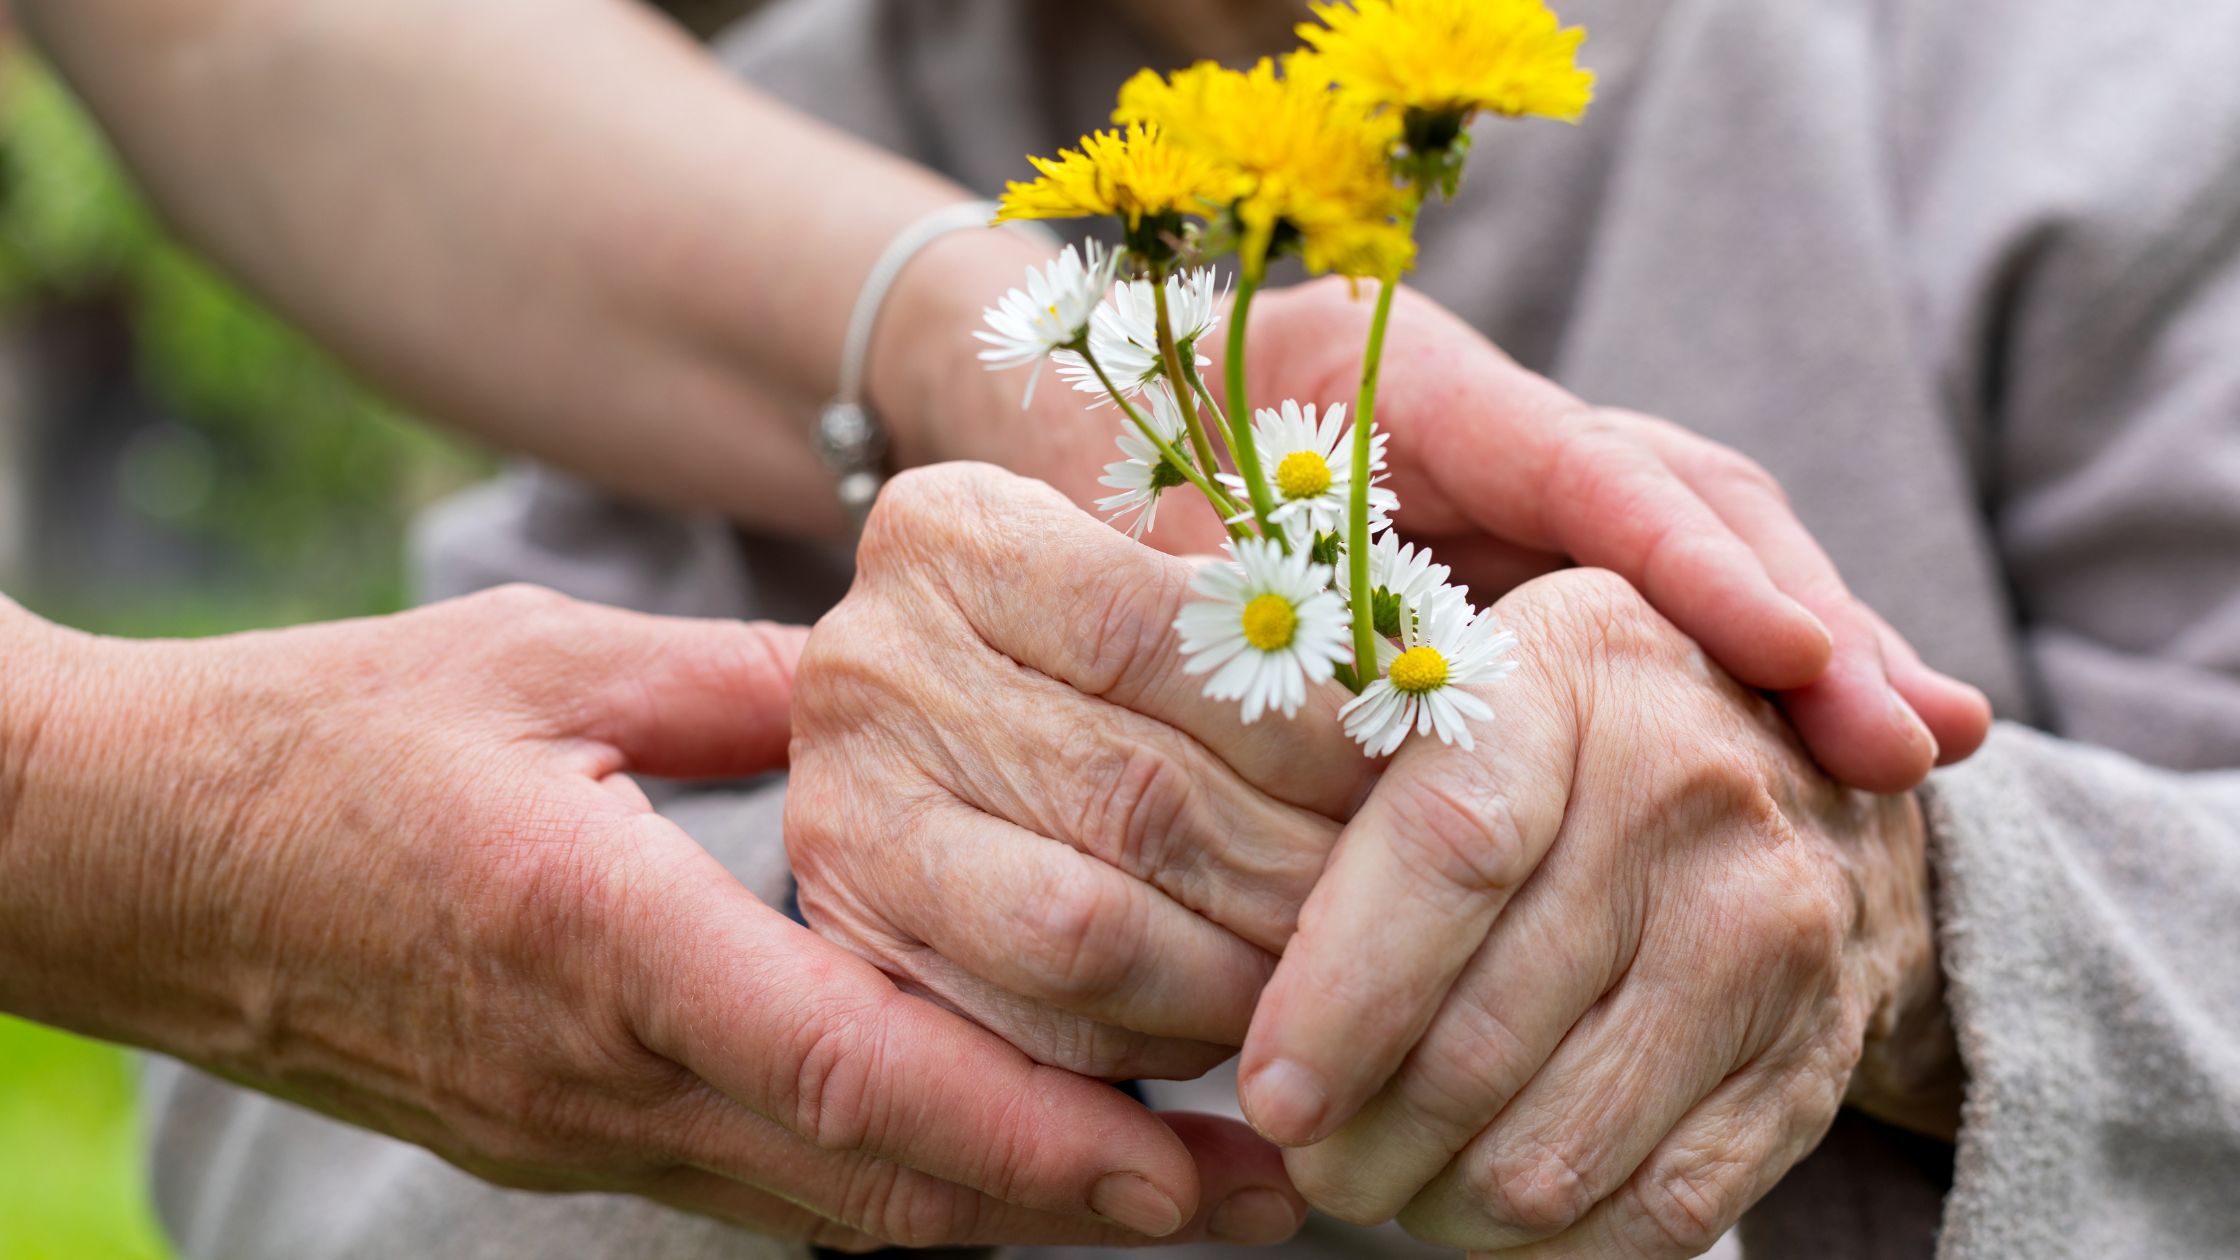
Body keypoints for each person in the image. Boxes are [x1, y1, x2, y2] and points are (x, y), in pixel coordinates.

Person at [117, 1, 2236, 1258]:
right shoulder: (718, 171)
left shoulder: (2100, 107)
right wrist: (899, 938)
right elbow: (286, 1139)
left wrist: (1916, 916)